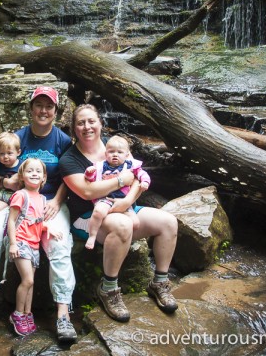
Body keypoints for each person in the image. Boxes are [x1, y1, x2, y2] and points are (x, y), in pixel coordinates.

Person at [0, 86, 78, 342]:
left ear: (56, 111)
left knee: (59, 244)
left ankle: (63, 314)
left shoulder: (62, 140)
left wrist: (57, 201)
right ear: (31, 109)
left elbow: (68, 178)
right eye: (38, 105)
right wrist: (7, 184)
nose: (43, 110)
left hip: (49, 203)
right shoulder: (18, 137)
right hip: (19, 203)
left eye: (48, 106)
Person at [59, 104, 178, 322]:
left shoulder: (114, 145)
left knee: (168, 222)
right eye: (81, 123)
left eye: (91, 121)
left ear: (100, 123)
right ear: (74, 129)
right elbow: (87, 192)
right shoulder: (69, 159)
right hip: (88, 217)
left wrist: (127, 201)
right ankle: (108, 289)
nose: (87, 127)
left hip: (124, 207)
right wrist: (121, 180)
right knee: (122, 226)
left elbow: (136, 174)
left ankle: (160, 282)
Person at [6, 158, 63, 336]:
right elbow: (12, 220)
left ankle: (27, 313)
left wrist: (49, 228)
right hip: (21, 242)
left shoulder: (42, 198)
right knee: (28, 280)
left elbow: (38, 221)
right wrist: (13, 243)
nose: (34, 174)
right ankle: (16, 314)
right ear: (22, 176)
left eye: (38, 171)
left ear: (44, 177)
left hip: (34, 245)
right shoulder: (21, 195)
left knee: (31, 283)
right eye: (30, 171)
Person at [83, 135, 150, 250]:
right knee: (98, 212)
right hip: (106, 198)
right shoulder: (101, 166)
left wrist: (145, 182)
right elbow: (91, 180)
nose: (115, 154)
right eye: (111, 152)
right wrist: (89, 173)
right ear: (105, 154)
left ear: (126, 155)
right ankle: (92, 236)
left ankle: (123, 236)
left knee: (135, 223)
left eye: (119, 152)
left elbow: (142, 174)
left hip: (123, 200)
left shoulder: (130, 165)